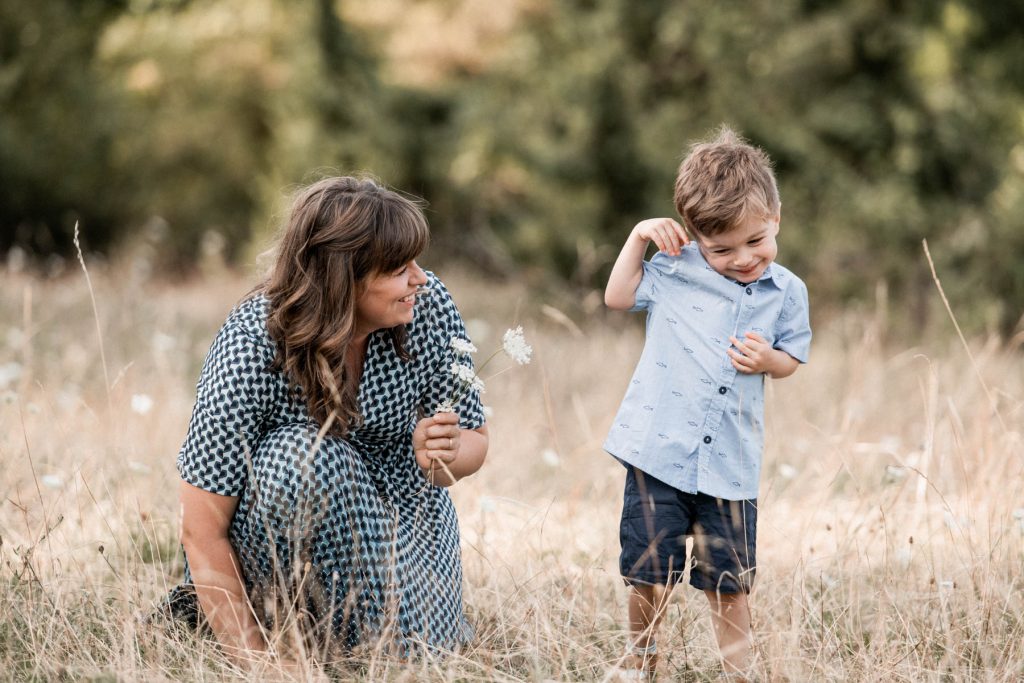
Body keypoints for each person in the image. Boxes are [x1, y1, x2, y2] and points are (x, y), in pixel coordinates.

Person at [162, 176, 489, 664]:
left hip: (405, 527)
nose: (420, 278)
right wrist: (260, 664)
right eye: (400, 268)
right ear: (344, 277)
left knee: (413, 659)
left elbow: (476, 441)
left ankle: (368, 641)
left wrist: (445, 454)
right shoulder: (252, 345)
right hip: (284, 535)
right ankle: (278, 633)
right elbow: (201, 529)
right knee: (303, 456)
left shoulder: (427, 306)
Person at [603, 127, 811, 680]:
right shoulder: (673, 268)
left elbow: (792, 358)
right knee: (650, 570)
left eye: (757, 241)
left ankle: (738, 671)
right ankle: (642, 659)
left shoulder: (788, 291)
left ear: (776, 218)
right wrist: (639, 238)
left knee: (731, 582)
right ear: (695, 238)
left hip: (730, 467)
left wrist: (769, 360)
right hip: (659, 451)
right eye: (722, 250)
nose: (744, 259)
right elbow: (618, 296)